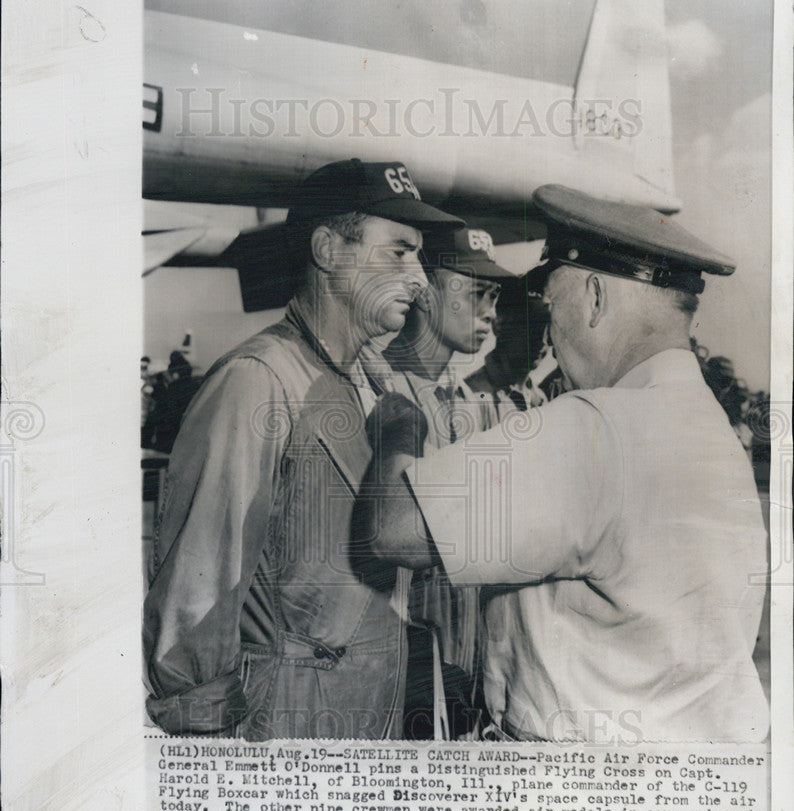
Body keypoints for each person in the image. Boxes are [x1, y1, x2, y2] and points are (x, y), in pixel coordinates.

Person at [358, 184, 770, 744]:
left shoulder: (597, 427)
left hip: (577, 785)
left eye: (553, 307)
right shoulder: (712, 432)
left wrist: (397, 426)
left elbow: (392, 531)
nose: (549, 336)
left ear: (596, 299)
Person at [143, 158, 463, 739]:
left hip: (365, 719)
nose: (419, 278)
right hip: (284, 727)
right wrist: (209, 750)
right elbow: (197, 592)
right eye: (399, 251)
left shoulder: (367, 380)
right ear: (327, 249)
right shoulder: (257, 381)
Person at [365, 227, 513, 735]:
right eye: (477, 292)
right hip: (393, 664)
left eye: (495, 295)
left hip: (460, 662)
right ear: (426, 293)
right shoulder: (371, 390)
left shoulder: (466, 403)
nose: (491, 310)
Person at [465, 272, 551, 415]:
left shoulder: (540, 400)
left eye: (548, 329)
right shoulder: (473, 399)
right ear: (498, 325)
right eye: (531, 327)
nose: (542, 341)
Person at [141, 351, 203, 454]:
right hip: (188, 440)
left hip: (168, 441)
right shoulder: (195, 387)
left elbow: (154, 417)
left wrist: (146, 443)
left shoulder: (172, 389)